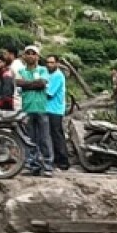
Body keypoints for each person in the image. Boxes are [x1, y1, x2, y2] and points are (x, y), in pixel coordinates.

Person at [15, 45, 53, 176]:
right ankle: (33, 165)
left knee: (44, 138)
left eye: (33, 53)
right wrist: (33, 84)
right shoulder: (21, 70)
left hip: (41, 108)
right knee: (29, 139)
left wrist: (27, 84)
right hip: (27, 108)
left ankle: (48, 165)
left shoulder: (43, 70)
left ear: (37, 56)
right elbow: (18, 83)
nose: (30, 55)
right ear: (24, 56)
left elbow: (42, 83)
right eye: (28, 53)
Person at [45, 55, 71, 171]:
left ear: (57, 63)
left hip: (55, 110)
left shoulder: (58, 76)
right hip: (49, 109)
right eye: (48, 62)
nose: (49, 65)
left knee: (57, 135)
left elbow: (49, 93)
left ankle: (63, 161)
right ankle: (56, 159)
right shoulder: (49, 74)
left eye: (52, 62)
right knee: (51, 135)